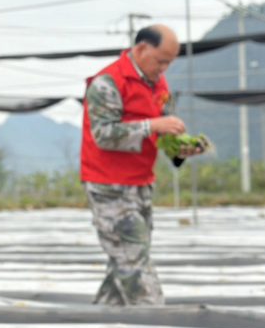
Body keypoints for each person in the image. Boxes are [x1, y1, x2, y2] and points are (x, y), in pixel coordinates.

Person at [80, 24, 199, 306]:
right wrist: (152, 125)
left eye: (169, 62)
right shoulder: (107, 82)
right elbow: (103, 135)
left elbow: (163, 133)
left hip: (141, 183)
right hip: (109, 187)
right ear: (141, 48)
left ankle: (96, 327)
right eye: (161, 61)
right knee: (134, 266)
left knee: (126, 260)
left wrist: (179, 149)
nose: (165, 68)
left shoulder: (157, 84)